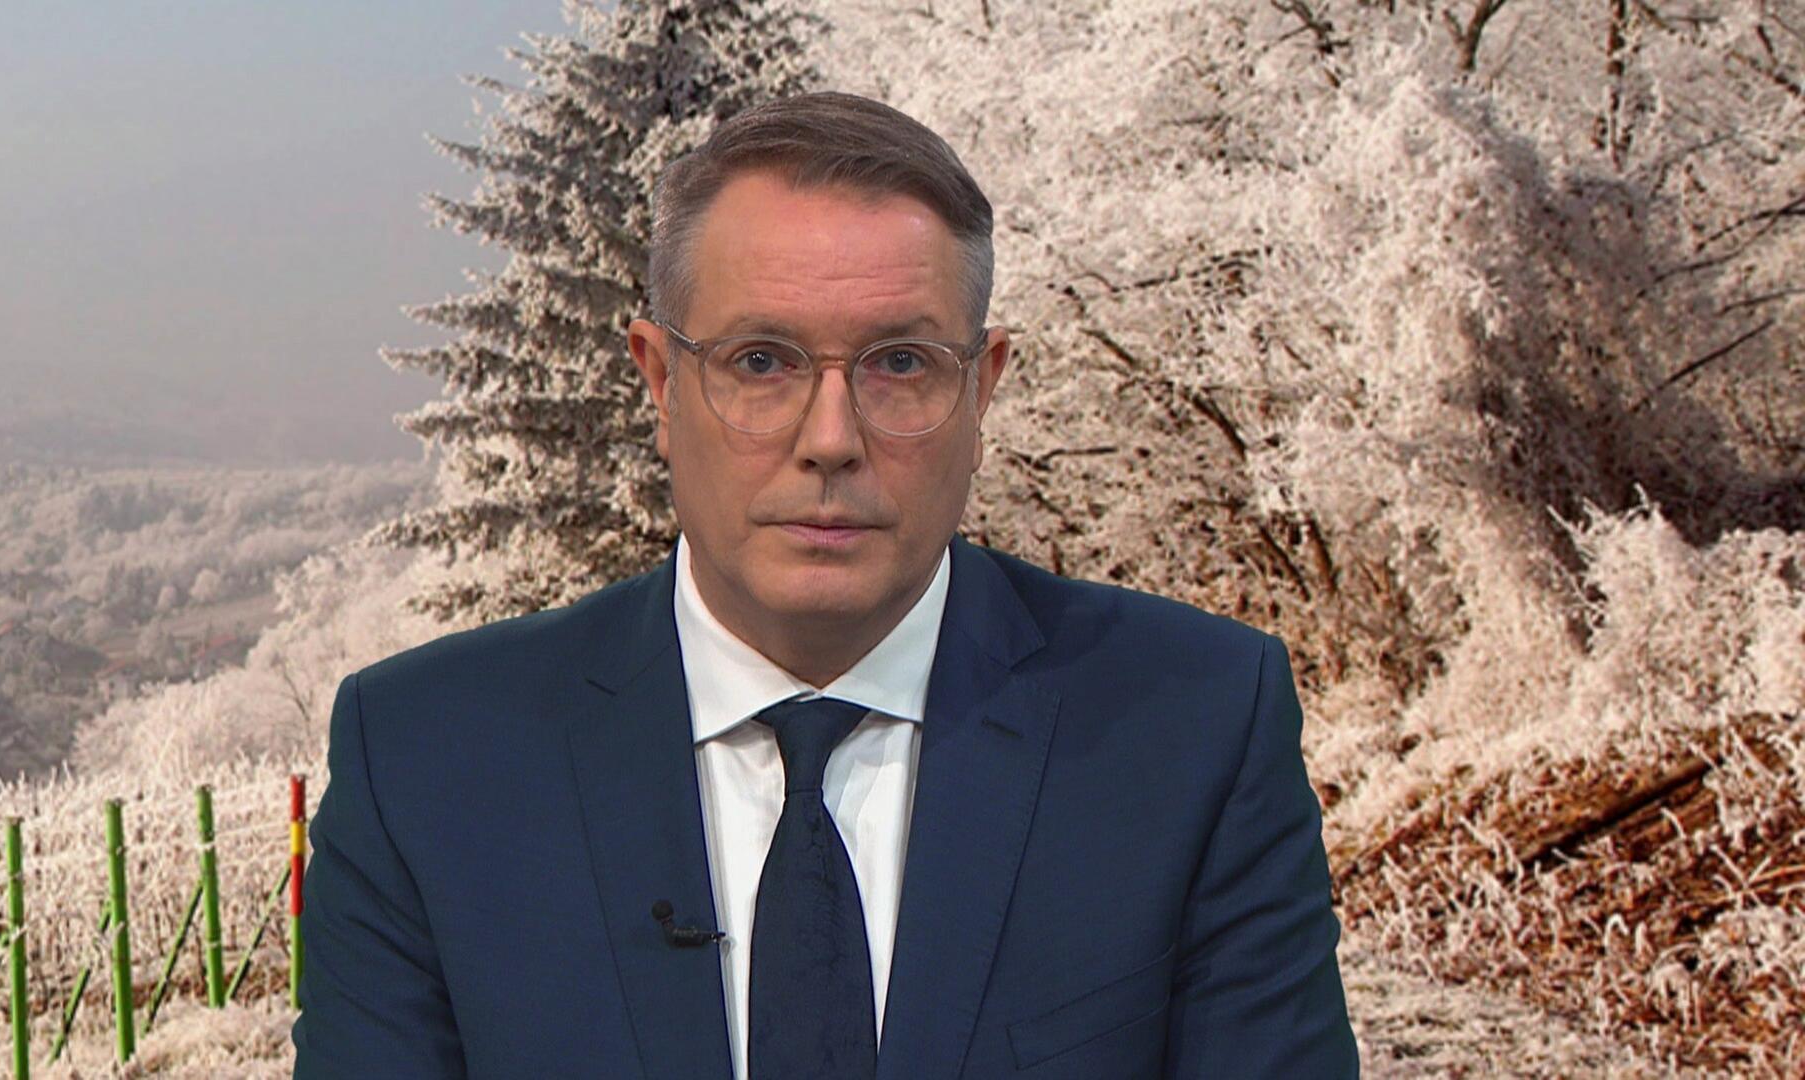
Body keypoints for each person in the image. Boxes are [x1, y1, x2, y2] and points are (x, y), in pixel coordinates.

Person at [291, 90, 1358, 1079]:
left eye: (901, 363)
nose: (832, 438)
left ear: (982, 391)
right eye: (761, 361)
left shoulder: (1197, 730)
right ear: (660, 383)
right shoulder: (424, 761)